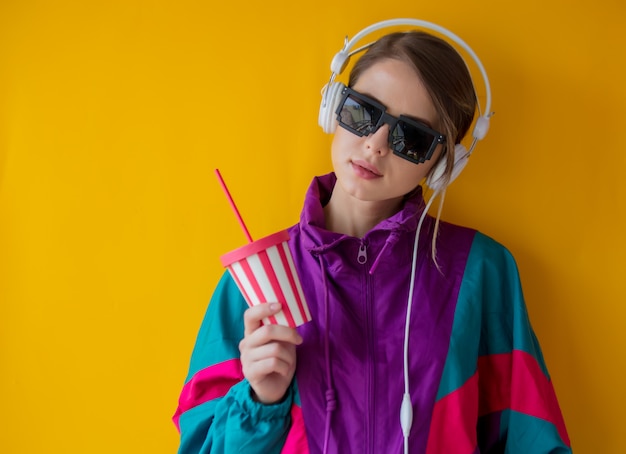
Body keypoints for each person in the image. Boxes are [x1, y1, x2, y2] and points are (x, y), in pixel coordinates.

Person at [173, 19, 572, 454]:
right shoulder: (256, 278)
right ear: (333, 108)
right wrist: (262, 402)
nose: (377, 144)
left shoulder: (481, 271)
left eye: (412, 137)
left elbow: (533, 440)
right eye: (363, 111)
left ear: (441, 165)